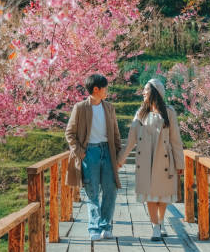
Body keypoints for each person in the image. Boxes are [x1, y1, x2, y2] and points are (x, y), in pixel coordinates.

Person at [117, 78, 184, 241]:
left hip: (165, 161)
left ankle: (160, 221)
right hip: (145, 160)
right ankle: (155, 227)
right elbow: (131, 139)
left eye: (146, 90)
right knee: (150, 195)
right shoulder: (140, 113)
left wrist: (180, 163)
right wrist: (121, 159)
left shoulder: (169, 112)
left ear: (155, 92)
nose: (143, 93)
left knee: (163, 196)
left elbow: (176, 139)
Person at [65, 74, 121, 241]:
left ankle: (105, 226)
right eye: (105, 88)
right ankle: (94, 227)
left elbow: (116, 133)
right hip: (90, 153)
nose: (107, 91)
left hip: (108, 152)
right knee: (92, 191)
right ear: (96, 89)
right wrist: (80, 152)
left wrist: (118, 156)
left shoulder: (109, 108)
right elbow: (69, 133)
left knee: (111, 189)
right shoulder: (80, 107)